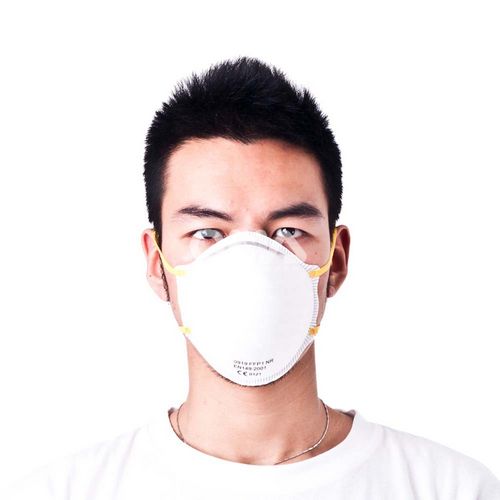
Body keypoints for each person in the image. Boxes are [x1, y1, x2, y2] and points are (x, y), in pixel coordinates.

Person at [4, 56, 499, 499]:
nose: (251, 263)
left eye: (288, 231)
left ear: (336, 260)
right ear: (158, 263)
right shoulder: (62, 493)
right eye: (207, 233)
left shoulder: (453, 489)